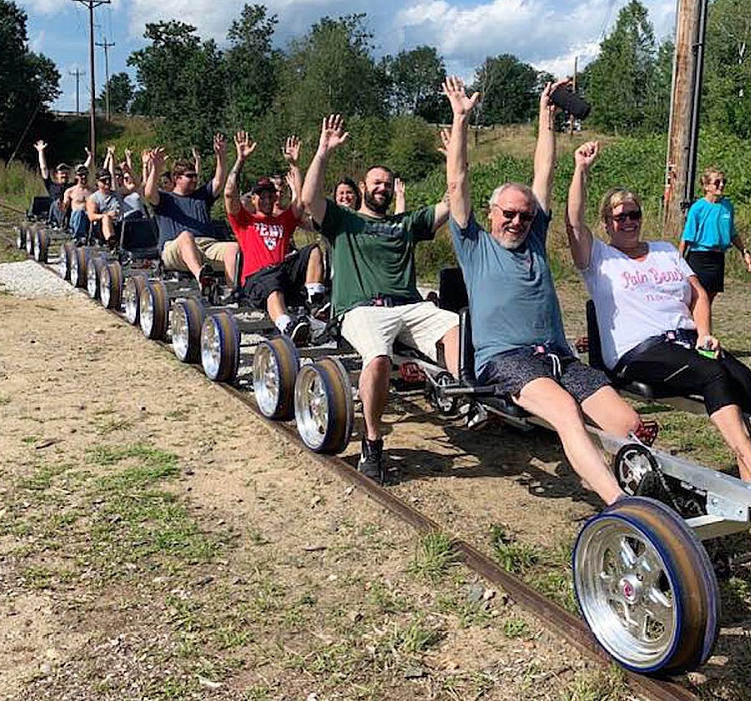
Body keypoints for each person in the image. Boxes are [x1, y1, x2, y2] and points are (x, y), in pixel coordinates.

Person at [444, 77, 641, 506]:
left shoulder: (533, 238)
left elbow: (544, 172)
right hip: (506, 361)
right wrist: (461, 119)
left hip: (559, 356)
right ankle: (622, 505)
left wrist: (545, 114)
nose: (517, 222)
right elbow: (457, 182)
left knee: (627, 422)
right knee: (566, 414)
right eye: (509, 214)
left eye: (525, 216)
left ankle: (652, 489)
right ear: (491, 213)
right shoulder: (474, 244)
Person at [567, 141, 751, 491]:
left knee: (744, 378)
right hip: (638, 350)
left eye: (635, 215)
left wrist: (704, 333)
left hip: (686, 340)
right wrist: (581, 171)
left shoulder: (664, 250)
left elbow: (698, 295)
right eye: (621, 217)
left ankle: (749, 465)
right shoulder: (598, 259)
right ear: (606, 223)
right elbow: (573, 223)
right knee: (711, 374)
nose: (629, 222)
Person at [302, 115, 460, 484]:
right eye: (376, 183)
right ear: (363, 187)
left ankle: (463, 390)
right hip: (362, 309)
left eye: (387, 184)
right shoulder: (343, 221)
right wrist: (323, 151)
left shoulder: (405, 223)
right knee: (377, 359)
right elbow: (309, 198)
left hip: (410, 305)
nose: (382, 188)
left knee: (457, 327)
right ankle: (372, 442)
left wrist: (455, 151)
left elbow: (453, 200)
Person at [225, 132, 326, 346]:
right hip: (256, 281)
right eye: (262, 195)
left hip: (281, 274)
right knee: (271, 280)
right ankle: (286, 325)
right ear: (253, 199)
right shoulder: (244, 221)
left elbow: (302, 201)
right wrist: (240, 160)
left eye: (271, 195)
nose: (267, 199)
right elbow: (228, 193)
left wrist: (295, 165)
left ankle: (315, 300)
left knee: (314, 250)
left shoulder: (283, 220)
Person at [144, 138, 239, 289]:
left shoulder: (202, 196)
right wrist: (155, 168)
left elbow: (219, 181)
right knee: (186, 236)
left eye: (195, 175)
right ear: (177, 178)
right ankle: (202, 278)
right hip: (174, 249)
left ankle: (232, 291)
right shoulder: (165, 199)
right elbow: (149, 193)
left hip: (207, 246)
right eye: (190, 176)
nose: (195, 179)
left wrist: (221, 156)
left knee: (233, 248)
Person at [679, 167, 751, 320]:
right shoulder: (698, 208)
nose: (721, 185)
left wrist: (745, 253)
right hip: (699, 257)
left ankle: (701, 334)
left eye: (723, 182)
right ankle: (693, 332)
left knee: (709, 299)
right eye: (717, 182)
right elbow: (686, 238)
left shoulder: (727, 206)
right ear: (706, 186)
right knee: (699, 298)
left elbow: (732, 233)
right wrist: (678, 262)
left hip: (717, 258)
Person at [86, 168, 122, 246]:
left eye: (109, 179)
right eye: (104, 180)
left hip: (119, 222)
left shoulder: (117, 194)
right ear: (97, 182)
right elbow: (91, 216)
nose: (107, 182)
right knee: (106, 218)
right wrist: (107, 215)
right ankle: (111, 241)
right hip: (101, 227)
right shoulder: (93, 198)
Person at [62, 164, 92, 239]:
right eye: (81, 175)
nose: (83, 177)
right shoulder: (70, 191)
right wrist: (63, 205)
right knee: (80, 212)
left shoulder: (93, 191)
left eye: (85, 174)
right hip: (76, 218)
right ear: (76, 176)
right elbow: (64, 208)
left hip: (89, 218)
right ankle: (78, 237)